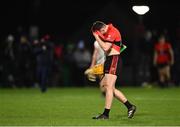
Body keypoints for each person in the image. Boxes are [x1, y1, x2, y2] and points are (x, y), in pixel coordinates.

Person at [91, 21, 136, 119]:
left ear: (102, 29)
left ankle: (106, 114)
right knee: (108, 87)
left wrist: (96, 36)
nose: (100, 34)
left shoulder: (112, 31)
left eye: (99, 32)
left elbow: (106, 47)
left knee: (108, 88)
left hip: (114, 60)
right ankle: (130, 106)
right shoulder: (107, 32)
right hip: (110, 60)